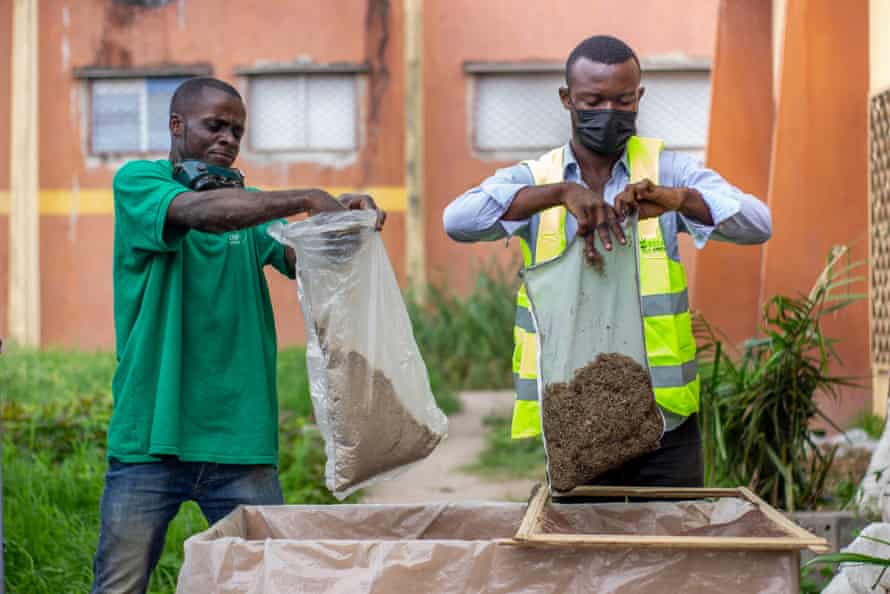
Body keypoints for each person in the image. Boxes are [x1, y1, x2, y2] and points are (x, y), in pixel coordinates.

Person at [90, 77, 385, 594]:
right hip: (149, 440)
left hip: (240, 443)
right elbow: (202, 215)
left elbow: (302, 259)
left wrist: (345, 226)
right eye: (215, 126)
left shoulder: (248, 208)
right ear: (177, 125)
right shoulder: (140, 183)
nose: (227, 138)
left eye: (236, 130)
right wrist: (308, 197)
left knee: (273, 582)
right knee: (120, 586)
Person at [443, 35, 771, 491]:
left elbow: (758, 223)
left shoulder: (667, 171)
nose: (609, 112)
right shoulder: (537, 178)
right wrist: (558, 194)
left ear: (639, 96)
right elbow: (458, 220)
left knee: (674, 556)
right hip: (575, 424)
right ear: (566, 100)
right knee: (584, 560)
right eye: (592, 101)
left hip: (665, 425)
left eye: (622, 100)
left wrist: (677, 200)